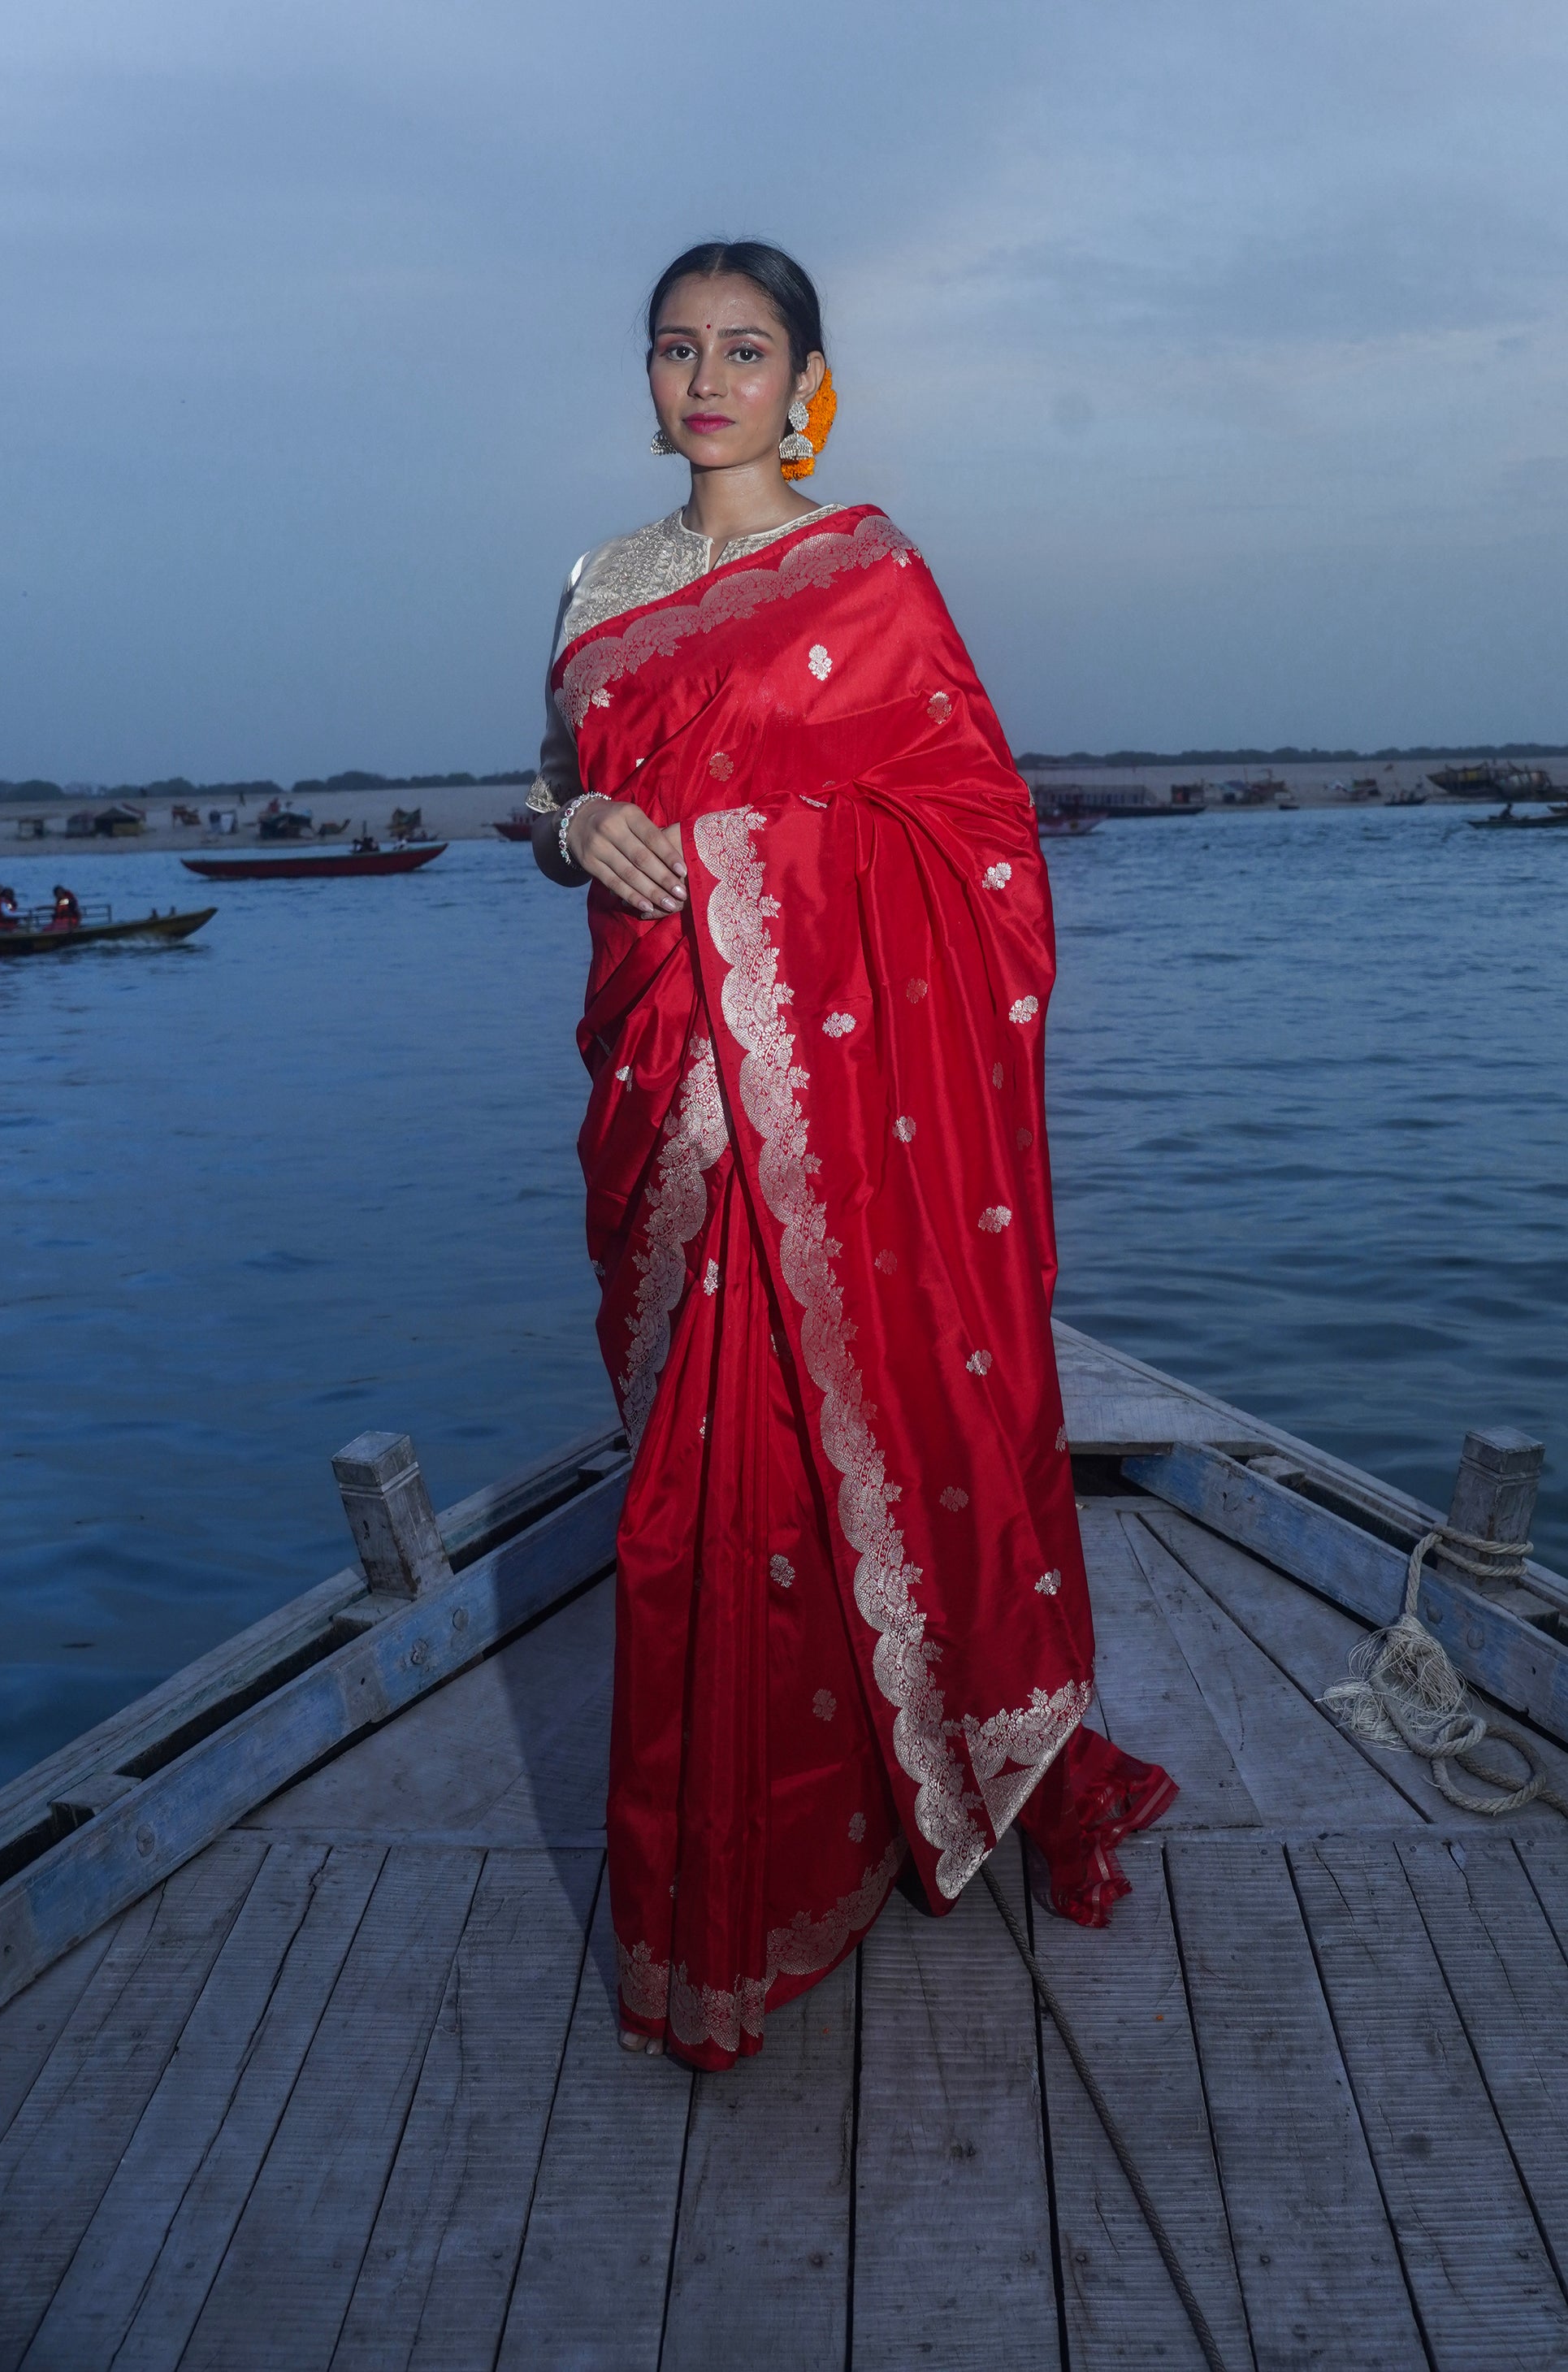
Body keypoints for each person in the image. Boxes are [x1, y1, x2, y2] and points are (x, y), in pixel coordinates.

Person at [528, 241, 1176, 2071]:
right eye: (676, 348)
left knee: (844, 1447)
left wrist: (747, 878)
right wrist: (571, 817)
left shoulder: (869, 572)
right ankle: (743, 1858)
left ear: (807, 376)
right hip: (668, 1092)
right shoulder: (596, 582)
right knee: (691, 1503)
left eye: (746, 349)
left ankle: (929, 1783)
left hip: (823, 1102)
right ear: (644, 375)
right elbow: (549, 793)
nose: (707, 379)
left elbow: (976, 834)